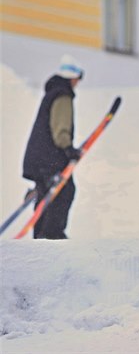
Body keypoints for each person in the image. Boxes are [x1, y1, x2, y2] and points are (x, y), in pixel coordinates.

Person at [22, 55, 84, 239]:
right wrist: (68, 149)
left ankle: (41, 237)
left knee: (45, 196)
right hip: (51, 158)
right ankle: (52, 235)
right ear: (73, 77)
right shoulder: (63, 95)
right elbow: (60, 127)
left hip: (38, 158)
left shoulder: (51, 93)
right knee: (64, 191)